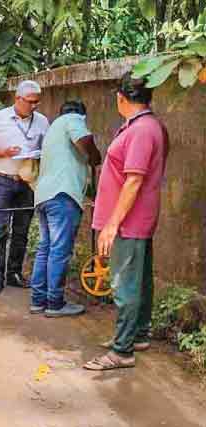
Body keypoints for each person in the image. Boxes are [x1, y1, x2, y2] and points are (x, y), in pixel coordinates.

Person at [84, 73, 169, 371]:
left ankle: (122, 350)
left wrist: (111, 224)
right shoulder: (141, 127)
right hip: (133, 220)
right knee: (139, 280)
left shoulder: (142, 130)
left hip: (128, 222)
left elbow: (133, 181)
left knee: (124, 284)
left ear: (121, 98)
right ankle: (138, 335)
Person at [0, 80, 50, 295]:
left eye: (37, 102)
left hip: (28, 183)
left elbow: (48, 148)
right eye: (30, 101)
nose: (34, 106)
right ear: (18, 99)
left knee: (22, 231)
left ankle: (14, 273)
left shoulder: (42, 122)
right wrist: (4, 152)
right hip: (4, 180)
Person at [30, 101, 102, 318]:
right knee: (59, 250)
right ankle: (55, 303)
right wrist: (94, 156)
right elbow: (83, 140)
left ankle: (38, 300)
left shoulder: (53, 129)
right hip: (62, 196)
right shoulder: (73, 119)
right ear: (81, 115)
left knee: (46, 248)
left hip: (44, 196)